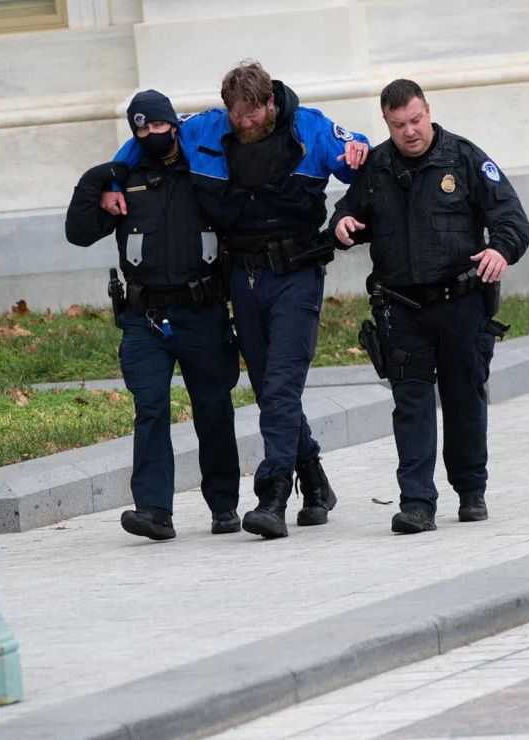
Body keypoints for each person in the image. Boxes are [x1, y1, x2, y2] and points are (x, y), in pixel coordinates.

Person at [103, 61, 370, 540]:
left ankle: (273, 496)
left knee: (282, 383)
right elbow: (141, 143)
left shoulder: (307, 127)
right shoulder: (205, 128)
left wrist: (358, 159)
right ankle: (314, 479)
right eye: (236, 114)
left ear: (271, 102)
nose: (244, 123)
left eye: (253, 113)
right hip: (242, 277)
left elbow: (362, 163)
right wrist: (113, 179)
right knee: (269, 384)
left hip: (296, 274)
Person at [329, 79, 529, 534]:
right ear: (387, 122)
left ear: (428, 111)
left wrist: (500, 250)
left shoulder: (463, 158)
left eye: (416, 119)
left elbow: (512, 219)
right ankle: (417, 502)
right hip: (401, 308)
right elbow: (347, 213)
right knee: (411, 405)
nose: (410, 131)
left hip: (459, 302)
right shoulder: (377, 167)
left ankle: (470, 489)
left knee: (464, 397)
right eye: (399, 124)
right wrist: (341, 224)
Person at [65, 90, 241, 541]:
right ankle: (154, 511)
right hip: (145, 318)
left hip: (202, 312)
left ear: (173, 125)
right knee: (150, 408)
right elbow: (78, 233)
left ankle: (224, 506)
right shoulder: (124, 181)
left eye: (157, 126)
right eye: (140, 129)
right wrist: (96, 182)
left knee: (213, 409)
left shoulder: (204, 170)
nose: (150, 135)